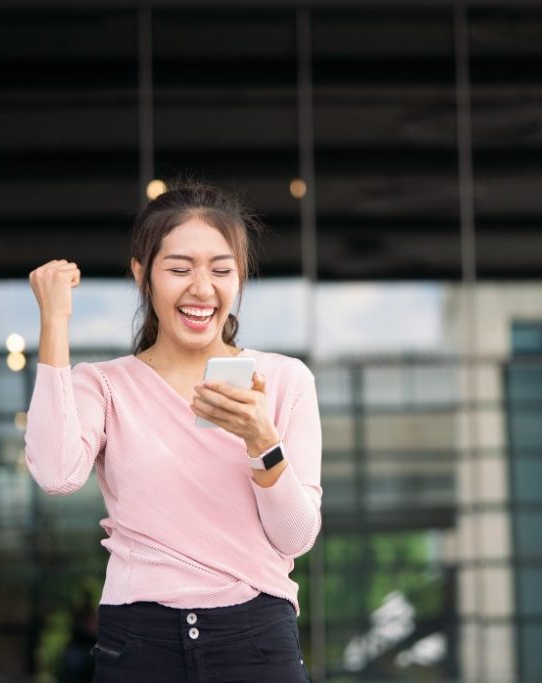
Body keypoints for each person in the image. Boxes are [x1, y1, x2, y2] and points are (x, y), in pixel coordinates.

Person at [23, 181, 322, 682]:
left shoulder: (284, 380)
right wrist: (54, 321)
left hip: (254, 639)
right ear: (143, 275)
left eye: (221, 270)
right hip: (139, 641)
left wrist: (262, 442)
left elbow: (295, 536)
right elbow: (55, 474)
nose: (202, 289)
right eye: (180, 269)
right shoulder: (106, 386)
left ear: (240, 277)